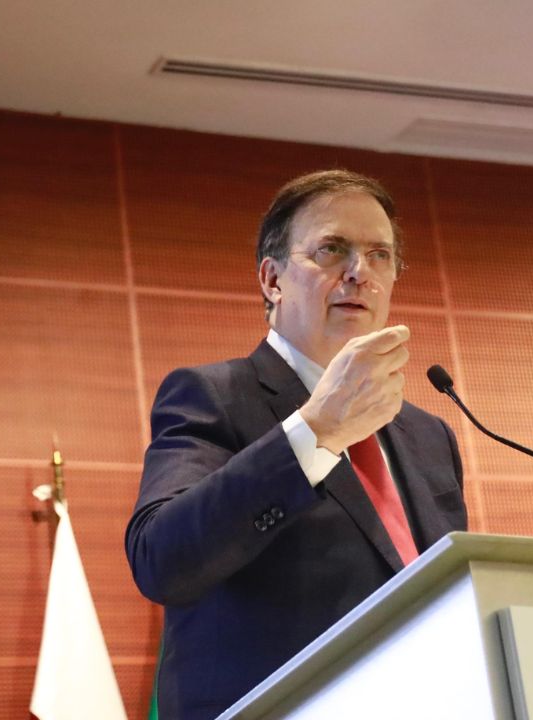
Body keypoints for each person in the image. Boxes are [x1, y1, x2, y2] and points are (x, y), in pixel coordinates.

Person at [125, 169, 468, 719]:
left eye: (379, 255)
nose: (359, 272)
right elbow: (162, 562)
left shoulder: (429, 435)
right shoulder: (213, 396)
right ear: (272, 279)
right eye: (332, 249)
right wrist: (315, 431)